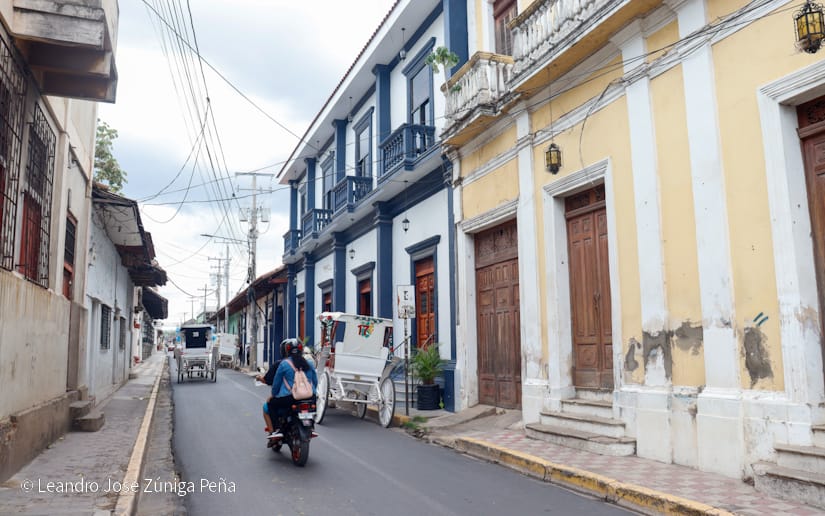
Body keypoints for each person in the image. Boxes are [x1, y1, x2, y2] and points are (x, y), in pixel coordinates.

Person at [267, 338, 318, 439]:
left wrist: (273, 395)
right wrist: (312, 391)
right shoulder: (309, 363)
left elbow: (276, 384)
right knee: (311, 408)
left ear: (286, 351)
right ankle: (311, 427)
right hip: (310, 396)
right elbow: (315, 381)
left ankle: (277, 429)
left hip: (290, 398)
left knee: (271, 404)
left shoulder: (284, 364)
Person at [257, 340, 287, 436]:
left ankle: (274, 431)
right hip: (304, 397)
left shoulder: (280, 365)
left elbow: (272, 382)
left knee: (268, 406)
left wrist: (273, 395)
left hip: (286, 397)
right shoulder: (304, 364)